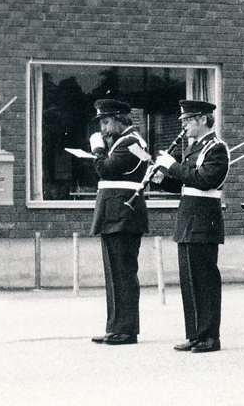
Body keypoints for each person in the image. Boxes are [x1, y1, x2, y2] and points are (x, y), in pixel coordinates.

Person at [152, 100, 229, 353]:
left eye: (188, 120)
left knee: (204, 279)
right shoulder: (193, 148)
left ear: (205, 120)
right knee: (189, 281)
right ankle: (195, 333)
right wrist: (163, 178)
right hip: (188, 217)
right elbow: (186, 184)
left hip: (204, 218)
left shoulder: (216, 148)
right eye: (183, 121)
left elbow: (205, 180)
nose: (184, 125)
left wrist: (172, 166)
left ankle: (210, 336)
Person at [88, 99, 149, 346]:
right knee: (116, 275)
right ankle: (116, 327)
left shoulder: (130, 142)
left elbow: (106, 169)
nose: (102, 128)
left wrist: (97, 150)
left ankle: (125, 329)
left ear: (119, 119)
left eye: (105, 121)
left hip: (122, 214)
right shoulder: (126, 142)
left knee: (122, 274)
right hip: (117, 214)